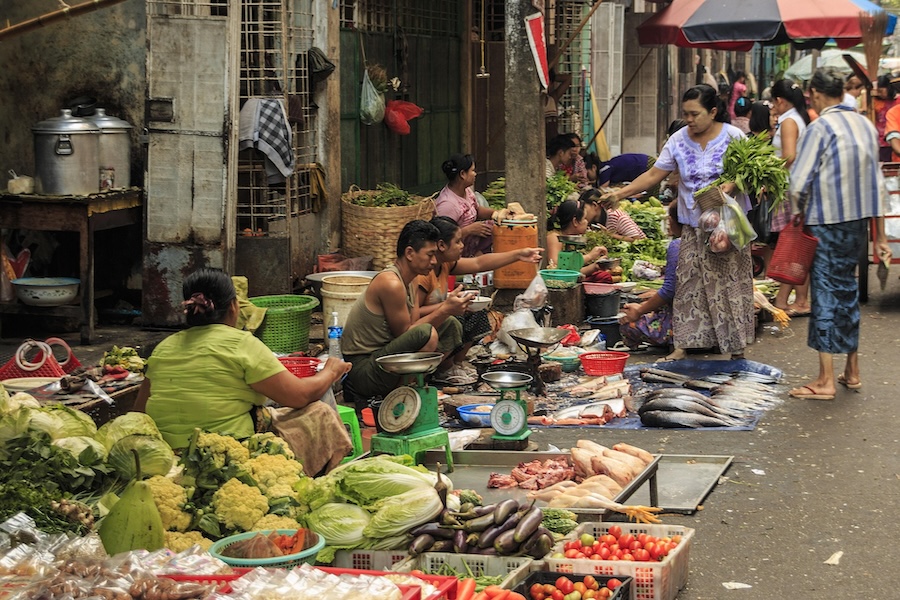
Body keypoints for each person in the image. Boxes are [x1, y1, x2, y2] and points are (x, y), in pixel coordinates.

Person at [135, 268, 353, 475]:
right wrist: (331, 371)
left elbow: (139, 412)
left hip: (166, 457)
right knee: (320, 412)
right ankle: (317, 482)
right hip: (225, 459)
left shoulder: (163, 348)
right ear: (233, 307)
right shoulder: (241, 344)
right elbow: (301, 395)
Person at [602, 84, 754, 360]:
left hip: (727, 228)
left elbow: (747, 172)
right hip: (694, 227)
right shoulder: (678, 140)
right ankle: (684, 345)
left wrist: (728, 187)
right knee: (688, 285)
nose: (690, 119)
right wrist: (620, 193)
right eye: (686, 114)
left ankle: (736, 346)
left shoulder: (734, 136)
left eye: (695, 114)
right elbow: (654, 175)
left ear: (713, 112)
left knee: (729, 283)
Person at [786, 69, 892, 400]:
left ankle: (825, 380)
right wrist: (881, 235)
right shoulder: (863, 122)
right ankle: (853, 370)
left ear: (816, 94)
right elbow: (877, 181)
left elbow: (798, 181)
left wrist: (797, 211)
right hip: (857, 222)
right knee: (847, 290)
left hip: (827, 220)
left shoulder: (820, 127)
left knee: (826, 293)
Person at [341, 220, 471, 407]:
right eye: (430, 255)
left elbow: (414, 321)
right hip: (365, 370)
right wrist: (444, 308)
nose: (434, 261)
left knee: (451, 324)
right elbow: (407, 334)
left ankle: (418, 383)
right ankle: (401, 393)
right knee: (428, 333)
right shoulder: (391, 282)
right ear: (410, 253)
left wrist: (447, 310)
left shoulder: (412, 278)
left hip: (385, 358)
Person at [415, 216, 543, 381]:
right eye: (458, 242)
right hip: (426, 329)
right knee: (455, 319)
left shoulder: (445, 264)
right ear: (441, 245)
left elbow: (478, 263)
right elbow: (414, 313)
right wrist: (446, 306)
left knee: (478, 314)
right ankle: (442, 368)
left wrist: (518, 254)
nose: (462, 246)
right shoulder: (423, 274)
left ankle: (456, 364)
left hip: (442, 315)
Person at [619, 202, 684, 360]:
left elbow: (669, 290)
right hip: (713, 323)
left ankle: (673, 342)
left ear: (673, 220)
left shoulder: (678, 246)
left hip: (684, 323)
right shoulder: (709, 240)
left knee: (627, 324)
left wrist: (640, 310)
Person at [768, 79, 811, 316]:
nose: (772, 108)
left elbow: (789, 156)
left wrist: (767, 172)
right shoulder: (795, 119)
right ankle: (794, 299)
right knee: (794, 244)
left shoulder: (789, 122)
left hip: (789, 189)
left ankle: (790, 299)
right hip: (793, 188)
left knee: (792, 245)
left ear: (780, 100)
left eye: (773, 103)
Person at [434, 154, 496, 257]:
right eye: (472, 170)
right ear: (462, 174)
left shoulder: (467, 191)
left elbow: (477, 210)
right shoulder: (448, 204)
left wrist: (496, 213)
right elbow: (442, 238)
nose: (475, 174)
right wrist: (469, 230)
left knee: (496, 226)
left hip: (470, 243)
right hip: (456, 251)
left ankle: (478, 260)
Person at [545, 198, 608, 279]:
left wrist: (594, 267)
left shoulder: (573, 239)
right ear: (575, 221)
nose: (587, 222)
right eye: (584, 218)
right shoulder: (555, 237)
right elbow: (556, 266)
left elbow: (573, 272)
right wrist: (590, 256)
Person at [584, 152, 654, 188]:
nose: (587, 176)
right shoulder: (606, 167)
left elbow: (603, 189)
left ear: (594, 167)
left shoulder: (604, 169)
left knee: (648, 196)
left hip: (647, 165)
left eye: (588, 173)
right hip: (644, 163)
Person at [873, 75, 899, 163]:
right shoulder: (875, 102)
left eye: (881, 91)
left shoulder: (897, 101)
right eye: (878, 91)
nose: (879, 94)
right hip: (881, 140)